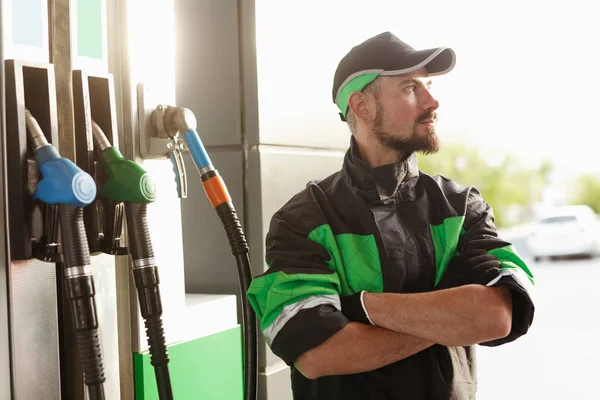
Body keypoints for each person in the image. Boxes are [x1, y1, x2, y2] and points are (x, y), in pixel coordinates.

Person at [246, 31, 535, 400]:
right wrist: (448, 317)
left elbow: (496, 316)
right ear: (363, 106)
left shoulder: (461, 207)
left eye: (427, 85)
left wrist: (362, 306)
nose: (432, 100)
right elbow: (319, 353)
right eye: (411, 87)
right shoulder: (303, 220)